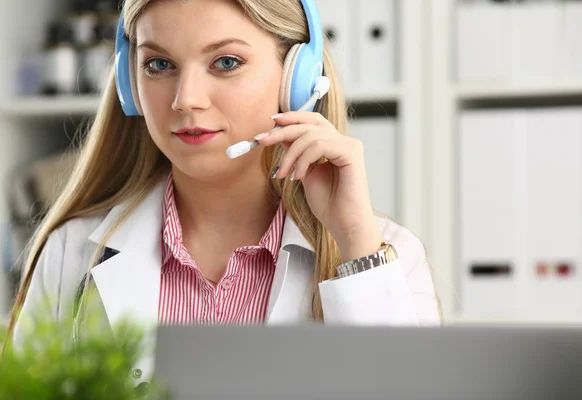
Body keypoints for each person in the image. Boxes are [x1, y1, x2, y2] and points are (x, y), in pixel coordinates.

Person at [9, 0, 441, 386]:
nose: (186, 99)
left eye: (226, 62)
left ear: (298, 76)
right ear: (128, 83)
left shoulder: (383, 256)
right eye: (158, 65)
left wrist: (353, 242)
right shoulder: (70, 253)